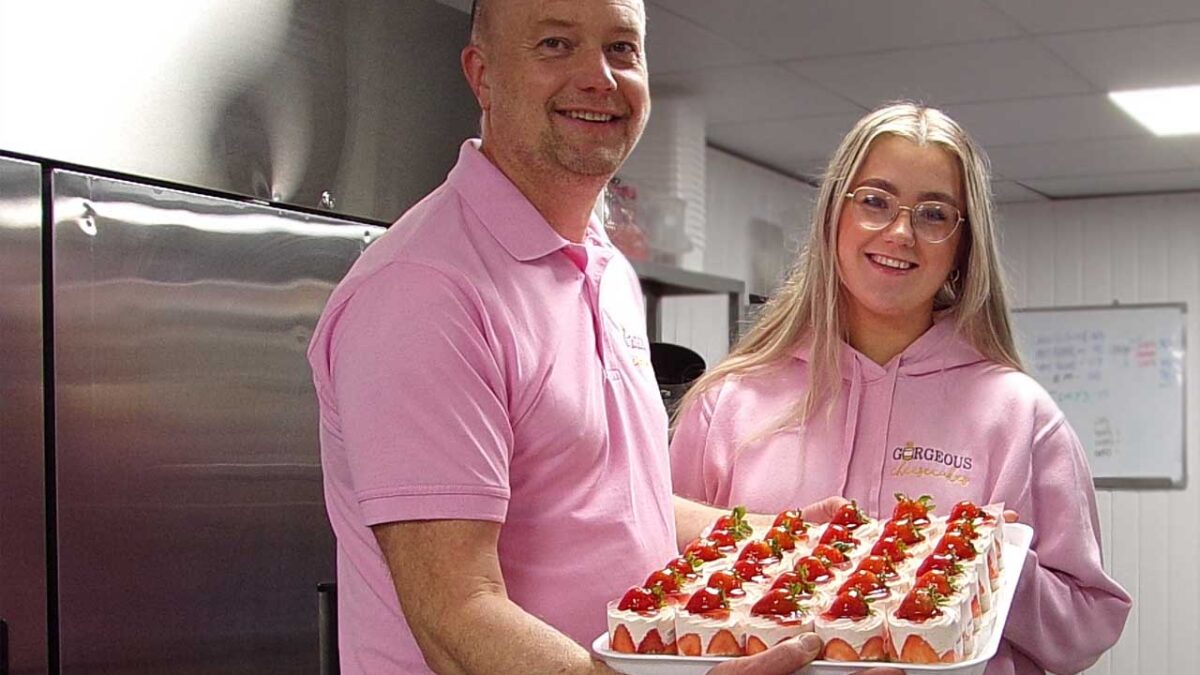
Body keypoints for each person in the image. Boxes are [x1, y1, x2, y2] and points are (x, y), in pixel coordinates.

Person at [306, 0, 902, 672]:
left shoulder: (606, 264)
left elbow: (621, 503)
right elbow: (456, 615)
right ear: (483, 75)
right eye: (556, 44)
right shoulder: (426, 289)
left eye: (622, 49)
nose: (600, 77)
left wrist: (780, 540)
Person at [668, 102, 1132, 674]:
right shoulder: (730, 403)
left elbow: (1086, 628)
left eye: (934, 214)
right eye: (874, 201)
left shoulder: (1020, 416)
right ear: (833, 215)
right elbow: (659, 574)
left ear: (963, 246)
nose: (901, 232)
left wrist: (988, 562)